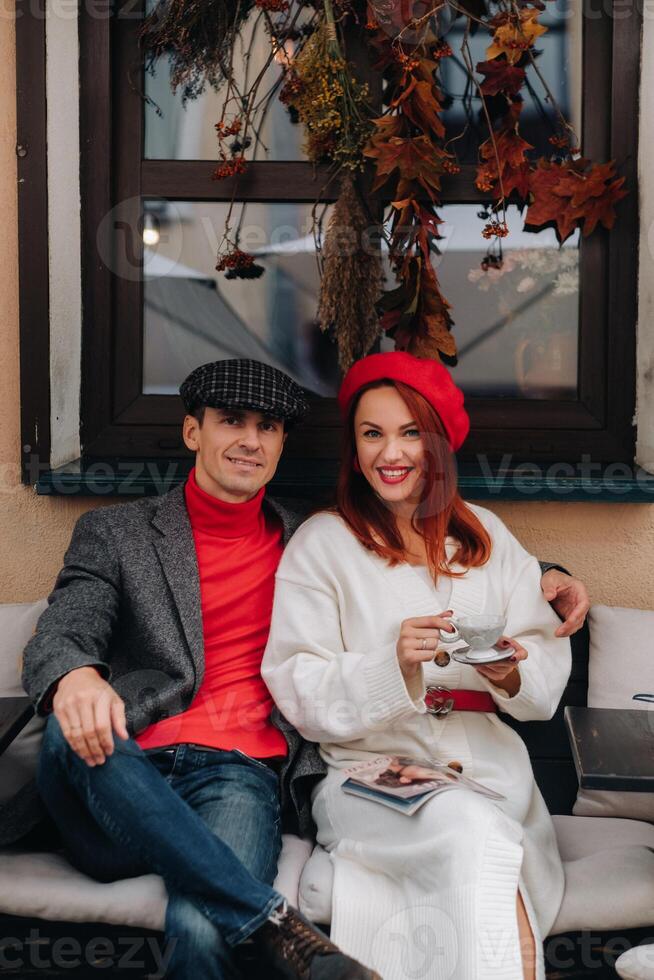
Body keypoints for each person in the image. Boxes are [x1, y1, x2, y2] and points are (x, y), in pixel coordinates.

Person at [20, 359, 380, 980]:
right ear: (193, 432)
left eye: (267, 427)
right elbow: (67, 625)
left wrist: (545, 579)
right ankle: (275, 923)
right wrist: (75, 675)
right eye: (231, 421)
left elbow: (425, 555)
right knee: (69, 724)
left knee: (201, 927)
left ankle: (242, 912)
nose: (249, 440)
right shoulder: (116, 532)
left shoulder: (313, 536)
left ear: (281, 444)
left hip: (236, 775)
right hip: (120, 769)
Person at [262, 351, 574, 980]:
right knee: (472, 834)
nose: (390, 452)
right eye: (371, 434)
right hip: (370, 778)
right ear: (353, 449)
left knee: (479, 827)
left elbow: (540, 680)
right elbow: (297, 685)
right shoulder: (322, 545)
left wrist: (506, 671)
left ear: (438, 443)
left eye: (409, 433)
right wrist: (392, 666)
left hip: (492, 774)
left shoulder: (487, 537)